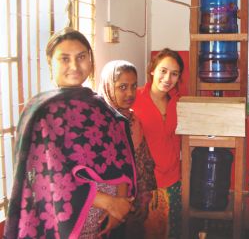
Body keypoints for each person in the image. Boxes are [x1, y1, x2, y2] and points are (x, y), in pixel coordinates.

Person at [4, 28, 136, 239]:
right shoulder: (42, 110)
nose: (74, 66)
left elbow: (121, 156)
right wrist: (108, 202)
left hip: (105, 221)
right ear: (51, 64)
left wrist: (119, 204)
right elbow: (47, 175)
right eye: (64, 59)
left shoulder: (100, 105)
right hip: (66, 220)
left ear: (91, 60)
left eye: (81, 57)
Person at [98, 60, 157, 239]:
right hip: (105, 205)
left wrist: (144, 198)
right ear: (108, 86)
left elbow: (143, 161)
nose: (130, 93)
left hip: (132, 202)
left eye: (133, 86)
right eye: (122, 87)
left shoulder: (132, 120)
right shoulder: (98, 122)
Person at [132, 48, 184, 239]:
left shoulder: (178, 103)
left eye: (174, 74)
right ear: (152, 70)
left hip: (173, 181)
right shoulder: (134, 98)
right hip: (143, 183)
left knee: (172, 233)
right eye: (163, 71)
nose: (167, 78)